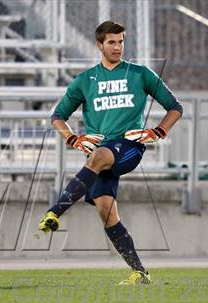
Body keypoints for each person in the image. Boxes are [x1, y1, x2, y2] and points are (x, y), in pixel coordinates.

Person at [38, 21, 183, 285]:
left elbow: (175, 107)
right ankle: (140, 272)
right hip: (99, 156)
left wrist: (157, 132)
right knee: (106, 211)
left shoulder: (140, 74)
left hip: (128, 148)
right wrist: (72, 137)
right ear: (99, 45)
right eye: (112, 42)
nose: (118, 47)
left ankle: (55, 212)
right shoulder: (85, 80)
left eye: (121, 41)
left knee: (99, 156)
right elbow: (58, 117)